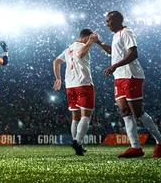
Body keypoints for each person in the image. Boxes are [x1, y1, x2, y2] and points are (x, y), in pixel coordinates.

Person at [95, 11, 161, 158]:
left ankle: (160, 142)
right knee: (125, 112)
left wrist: (114, 66)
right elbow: (114, 52)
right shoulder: (115, 35)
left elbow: (133, 53)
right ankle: (135, 147)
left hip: (131, 75)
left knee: (138, 112)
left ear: (118, 20)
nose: (107, 24)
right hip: (119, 77)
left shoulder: (126, 32)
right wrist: (98, 43)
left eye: (109, 21)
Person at [52, 29, 98, 156]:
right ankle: (77, 142)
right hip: (83, 84)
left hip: (70, 86)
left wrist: (58, 79)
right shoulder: (83, 45)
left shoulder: (69, 49)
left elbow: (56, 62)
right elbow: (81, 54)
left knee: (75, 117)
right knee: (86, 116)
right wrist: (91, 42)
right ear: (86, 37)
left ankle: (77, 143)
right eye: (90, 38)